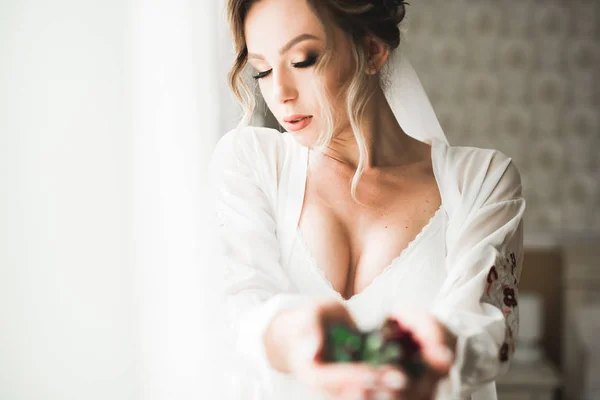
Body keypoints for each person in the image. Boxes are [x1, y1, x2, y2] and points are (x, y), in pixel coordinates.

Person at [207, 0, 525, 399]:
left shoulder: (481, 180)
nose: (280, 92)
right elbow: (241, 305)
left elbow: (487, 330)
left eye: (303, 59)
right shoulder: (251, 161)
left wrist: (436, 350)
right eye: (263, 70)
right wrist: (298, 340)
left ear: (372, 50)